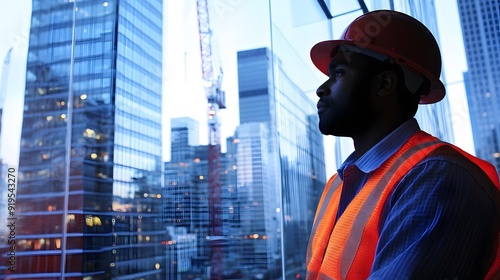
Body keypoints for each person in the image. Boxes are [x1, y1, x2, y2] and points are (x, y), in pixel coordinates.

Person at [306, 10, 500, 280]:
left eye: (339, 73)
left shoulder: (437, 180)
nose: (321, 89)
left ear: (385, 83)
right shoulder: (337, 185)